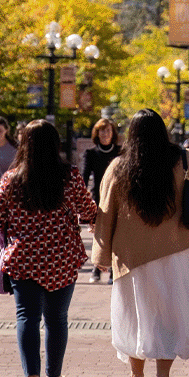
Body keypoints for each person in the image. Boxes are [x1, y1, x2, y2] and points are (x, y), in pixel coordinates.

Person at [93, 109, 189, 377]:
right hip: (178, 249)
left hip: (131, 255)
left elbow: (105, 214)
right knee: (169, 315)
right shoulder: (184, 159)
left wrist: (102, 256)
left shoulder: (118, 167)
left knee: (136, 315)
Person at [0, 120, 98, 377]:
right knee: (57, 318)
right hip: (62, 256)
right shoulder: (70, 176)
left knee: (27, 316)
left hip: (24, 257)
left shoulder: (12, 179)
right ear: (55, 144)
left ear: (24, 145)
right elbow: (88, 210)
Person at [81, 117, 122, 283]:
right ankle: (96, 269)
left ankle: (113, 270)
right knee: (100, 235)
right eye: (102, 131)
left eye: (108, 130)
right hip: (98, 198)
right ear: (96, 133)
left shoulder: (120, 152)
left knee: (116, 234)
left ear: (113, 133)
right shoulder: (91, 154)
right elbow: (83, 178)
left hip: (119, 197)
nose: (105, 134)